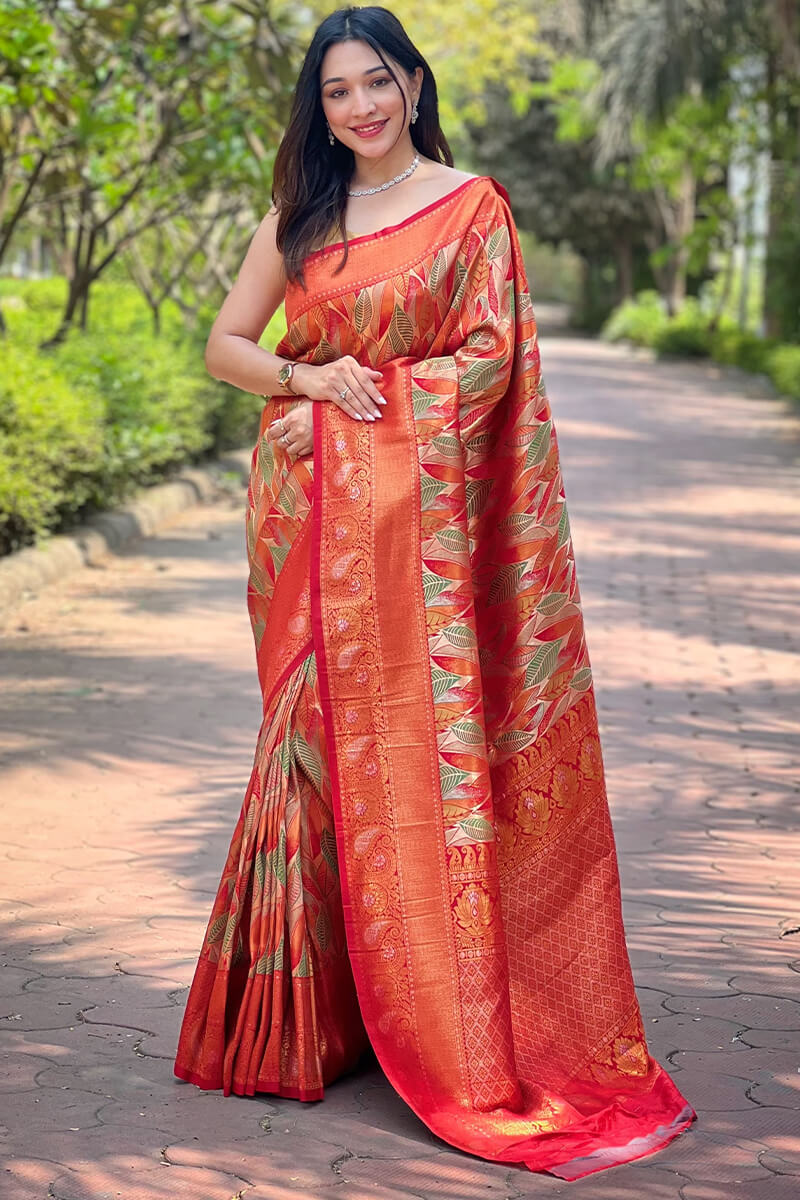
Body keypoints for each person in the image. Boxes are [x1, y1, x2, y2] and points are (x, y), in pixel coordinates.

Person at [173, 4, 696, 1180]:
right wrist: (311, 376)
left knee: (410, 762)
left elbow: (491, 361)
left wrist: (387, 408)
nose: (356, 107)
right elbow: (226, 346)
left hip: (418, 534)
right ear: (319, 108)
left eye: (374, 83)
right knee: (307, 749)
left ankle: (425, 1012)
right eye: (334, 92)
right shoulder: (300, 218)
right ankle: (290, 1029)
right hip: (308, 529)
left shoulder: (469, 210)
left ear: (412, 83)